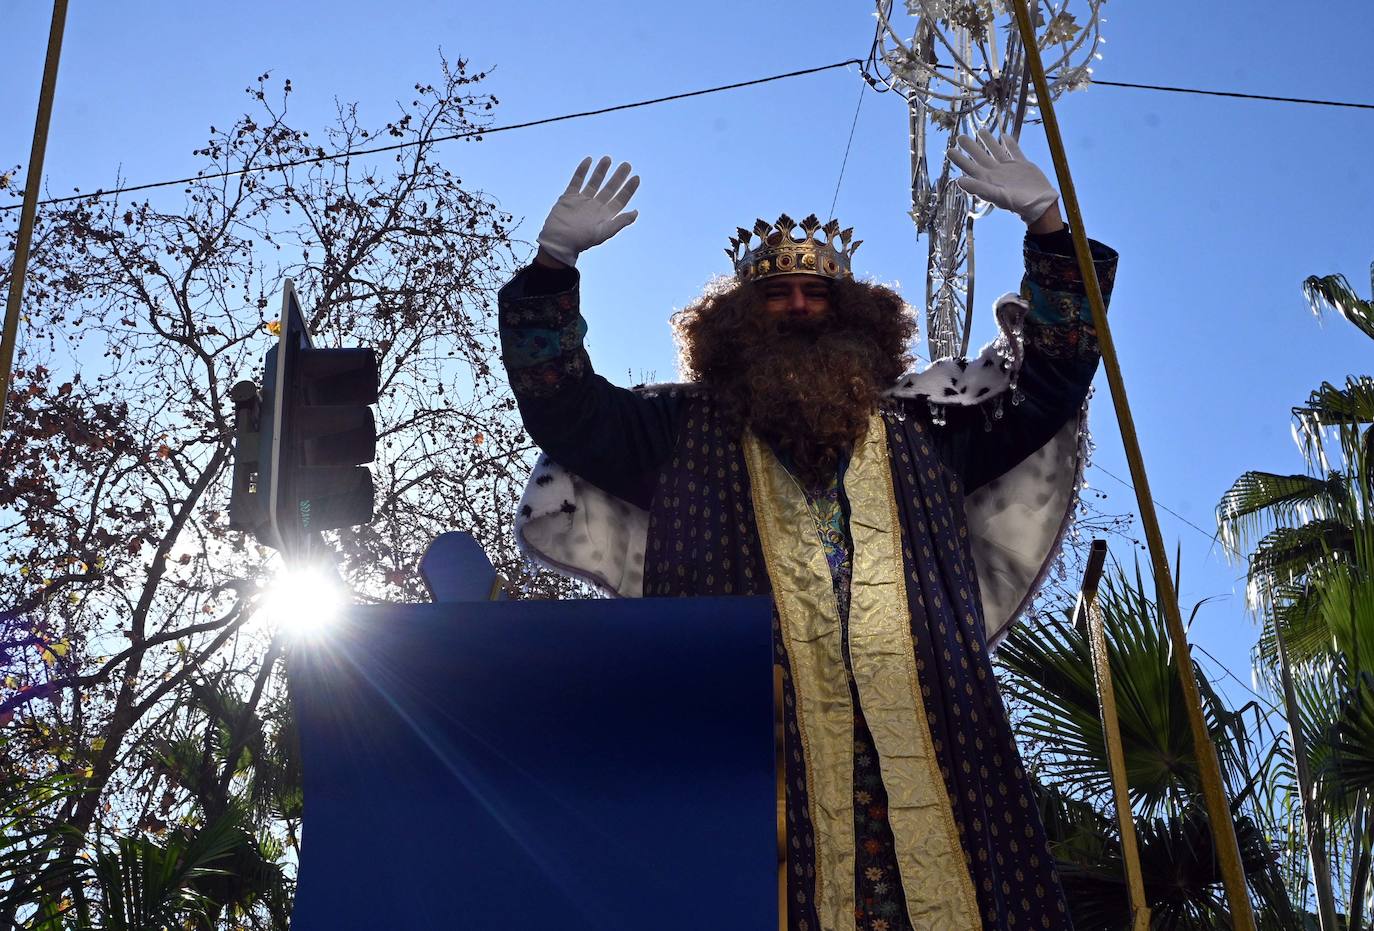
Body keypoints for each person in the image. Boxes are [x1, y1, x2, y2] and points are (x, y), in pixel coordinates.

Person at [498, 132, 1117, 931]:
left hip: (937, 743)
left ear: (853, 316)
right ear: (735, 323)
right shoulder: (674, 430)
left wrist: (1046, 226)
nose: (796, 307)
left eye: (816, 295)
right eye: (776, 295)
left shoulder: (930, 430)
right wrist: (553, 268)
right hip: (740, 755)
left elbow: (1052, 384)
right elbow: (564, 408)